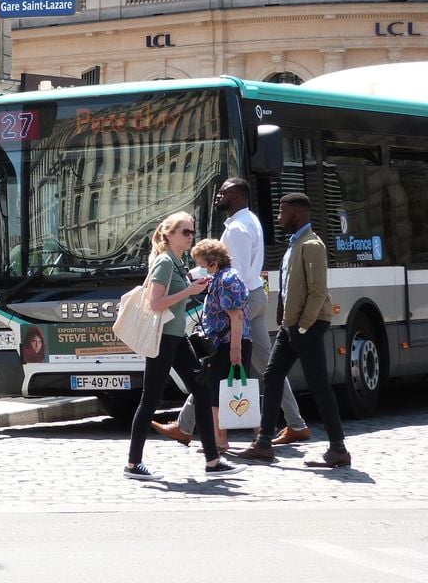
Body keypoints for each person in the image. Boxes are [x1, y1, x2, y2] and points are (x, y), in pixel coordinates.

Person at [152, 178, 310, 446]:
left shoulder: (236, 229)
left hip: (238, 302)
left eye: (223, 192)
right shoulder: (251, 220)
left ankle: (192, 428)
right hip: (254, 295)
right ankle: (295, 423)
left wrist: (194, 278)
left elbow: (226, 269)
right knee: (267, 367)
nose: (217, 197)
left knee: (216, 365)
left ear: (236, 196)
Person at [124, 212, 244, 480]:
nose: (191, 237)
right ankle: (133, 464)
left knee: (201, 390)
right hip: (163, 338)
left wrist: (195, 287)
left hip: (177, 337)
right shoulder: (165, 262)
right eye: (185, 232)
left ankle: (212, 461)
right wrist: (189, 291)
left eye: (192, 231)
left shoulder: (177, 262)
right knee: (150, 399)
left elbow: (175, 296)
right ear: (169, 235)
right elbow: (155, 303)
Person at [236, 193, 352, 468]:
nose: (278, 217)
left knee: (319, 385)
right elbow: (289, 287)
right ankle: (264, 442)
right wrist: (286, 320)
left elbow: (317, 290)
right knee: (273, 375)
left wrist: (302, 325)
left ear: (296, 215)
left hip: (307, 325)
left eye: (282, 212)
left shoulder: (312, 245)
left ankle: (338, 449)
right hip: (293, 325)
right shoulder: (294, 244)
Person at [189, 239, 252, 452]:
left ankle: (221, 440)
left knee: (219, 392)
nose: (201, 268)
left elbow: (236, 316)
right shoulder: (222, 277)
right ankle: (225, 438)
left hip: (227, 343)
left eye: (203, 263)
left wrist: (236, 349)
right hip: (225, 342)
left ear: (213, 262)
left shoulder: (226, 279)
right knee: (224, 391)